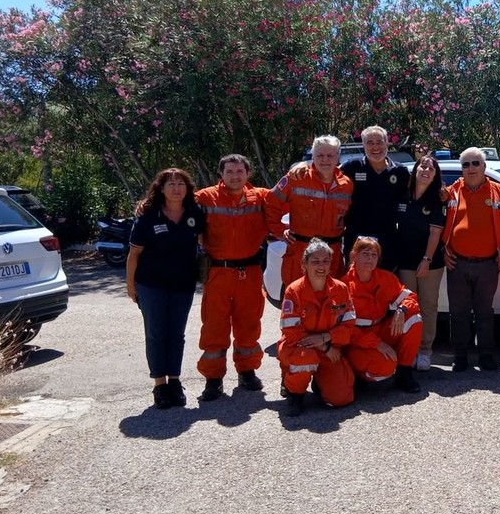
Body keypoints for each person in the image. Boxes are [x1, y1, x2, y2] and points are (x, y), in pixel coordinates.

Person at [126, 168, 206, 409]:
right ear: (161, 189)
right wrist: (131, 286)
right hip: (151, 284)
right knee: (156, 334)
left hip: (183, 284)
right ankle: (159, 384)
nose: (176, 188)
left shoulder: (194, 213)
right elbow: (134, 254)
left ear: (187, 188)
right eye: (170, 184)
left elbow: (204, 242)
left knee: (177, 334)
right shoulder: (148, 215)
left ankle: (174, 381)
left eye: (181, 184)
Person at [194, 154, 269, 402]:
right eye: (230, 172)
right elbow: (174, 204)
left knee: (249, 323)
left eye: (239, 171)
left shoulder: (261, 197)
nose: (235, 176)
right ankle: (213, 379)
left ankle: (247, 371)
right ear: (221, 174)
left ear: (248, 174)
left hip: (250, 271)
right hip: (218, 272)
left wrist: (298, 173)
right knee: (214, 325)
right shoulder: (205, 197)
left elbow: (289, 199)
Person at [442, 147, 500, 372]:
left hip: (488, 263)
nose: (471, 168)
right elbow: (435, 222)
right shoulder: (452, 192)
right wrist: (443, 249)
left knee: (485, 312)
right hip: (457, 263)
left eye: (475, 163)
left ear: (484, 166)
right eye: (466, 164)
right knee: (459, 313)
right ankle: (460, 356)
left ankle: (486, 355)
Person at [277, 239, 357, 417]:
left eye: (325, 261)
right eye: (315, 261)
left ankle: (319, 382)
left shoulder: (341, 289)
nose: (321, 266)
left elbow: (349, 324)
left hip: (330, 348)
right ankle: (294, 394)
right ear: (304, 264)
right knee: (305, 359)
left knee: (342, 398)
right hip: (299, 347)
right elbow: (291, 331)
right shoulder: (293, 290)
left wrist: (326, 339)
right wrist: (323, 346)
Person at [266, 135, 353, 286]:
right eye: (320, 155)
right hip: (301, 251)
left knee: (332, 296)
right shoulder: (297, 177)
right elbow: (270, 203)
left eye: (330, 155)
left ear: (338, 157)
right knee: (297, 295)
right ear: (312, 156)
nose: (325, 159)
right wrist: (279, 231)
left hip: (332, 253)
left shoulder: (347, 184)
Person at [343, 237, 423, 393]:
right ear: (353, 256)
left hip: (380, 331)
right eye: (365, 254)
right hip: (356, 341)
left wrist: (402, 310)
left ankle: (404, 372)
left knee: (414, 318)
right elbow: (345, 330)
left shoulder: (385, 278)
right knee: (386, 368)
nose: (370, 259)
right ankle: (356, 375)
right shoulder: (343, 286)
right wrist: (378, 344)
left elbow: (410, 298)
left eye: (374, 255)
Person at [396, 155, 448, 372]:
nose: (426, 170)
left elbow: (435, 234)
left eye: (431, 168)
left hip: (430, 262)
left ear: (435, 175)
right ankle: (410, 349)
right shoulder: (402, 194)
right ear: (415, 169)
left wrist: (426, 260)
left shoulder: (437, 199)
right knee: (408, 306)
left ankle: (425, 350)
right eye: (423, 166)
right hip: (404, 260)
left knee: (427, 306)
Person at [340, 125, 411, 271]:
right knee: (356, 282)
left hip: (388, 241)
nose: (375, 147)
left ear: (387, 143)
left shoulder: (400, 172)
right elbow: (327, 174)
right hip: (356, 239)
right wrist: (303, 166)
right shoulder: (352, 167)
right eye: (370, 143)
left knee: (384, 282)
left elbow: (419, 191)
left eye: (379, 142)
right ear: (363, 145)